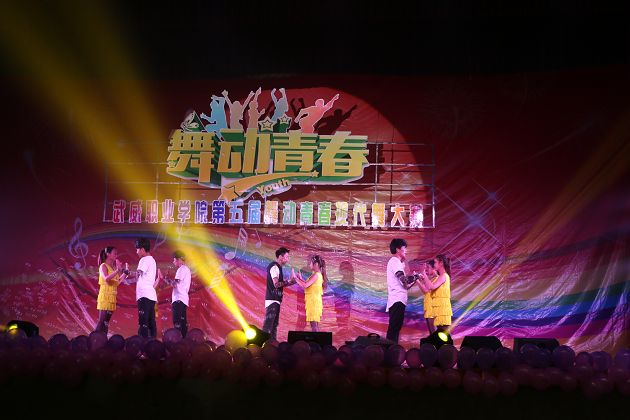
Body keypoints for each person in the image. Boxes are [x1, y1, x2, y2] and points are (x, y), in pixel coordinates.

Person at [385, 238, 420, 343]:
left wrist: (415, 278)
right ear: (398, 249)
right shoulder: (394, 262)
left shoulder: (398, 263)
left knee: (395, 328)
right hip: (397, 300)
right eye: (404, 248)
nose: (406, 251)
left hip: (399, 300)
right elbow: (404, 280)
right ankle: (390, 350)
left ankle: (391, 349)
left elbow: (405, 285)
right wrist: (417, 276)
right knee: (394, 328)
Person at [126, 238, 158, 338]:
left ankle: (143, 343)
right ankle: (153, 343)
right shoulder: (152, 260)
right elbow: (139, 277)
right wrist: (127, 279)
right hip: (150, 295)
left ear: (143, 249)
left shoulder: (144, 259)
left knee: (143, 322)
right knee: (151, 322)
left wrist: (126, 272)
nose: (136, 252)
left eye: (137, 249)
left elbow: (137, 274)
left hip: (144, 295)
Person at [262, 247, 296, 340]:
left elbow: (281, 284)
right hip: (273, 300)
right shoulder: (274, 267)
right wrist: (289, 281)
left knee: (274, 325)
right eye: (286, 257)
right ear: (280, 257)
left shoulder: (278, 268)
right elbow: (276, 284)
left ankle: (272, 343)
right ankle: (263, 344)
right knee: (268, 325)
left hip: (276, 300)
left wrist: (292, 281)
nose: (288, 259)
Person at [158, 250, 191, 338]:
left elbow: (174, 284)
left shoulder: (181, 269)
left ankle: (178, 341)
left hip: (179, 299)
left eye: (174, 260)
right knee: (183, 323)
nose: (173, 262)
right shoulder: (186, 269)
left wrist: (164, 278)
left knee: (177, 322)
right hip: (183, 299)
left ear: (179, 259)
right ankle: (184, 341)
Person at [95, 246, 127, 335]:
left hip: (112, 297)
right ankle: (94, 339)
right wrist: (117, 270)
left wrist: (125, 273)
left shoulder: (112, 268)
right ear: (108, 254)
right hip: (105, 296)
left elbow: (117, 282)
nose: (116, 255)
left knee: (106, 322)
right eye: (114, 253)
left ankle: (103, 339)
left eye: (117, 253)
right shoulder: (103, 266)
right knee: (101, 321)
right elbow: (106, 279)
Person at [419, 254, 452, 333]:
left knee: (443, 335)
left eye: (435, 262)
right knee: (440, 335)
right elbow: (429, 287)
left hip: (443, 309)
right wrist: (424, 279)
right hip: (438, 309)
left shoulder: (444, 276)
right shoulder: (441, 276)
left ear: (441, 263)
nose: (434, 265)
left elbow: (432, 287)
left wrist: (424, 273)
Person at [294, 255, 327, 332]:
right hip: (313, 302)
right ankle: (317, 339)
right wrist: (300, 278)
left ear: (316, 264)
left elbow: (305, 285)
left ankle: (317, 339)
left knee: (314, 325)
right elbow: (308, 284)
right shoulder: (317, 274)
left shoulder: (316, 275)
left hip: (313, 302)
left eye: (311, 263)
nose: (309, 264)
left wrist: (295, 278)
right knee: (314, 325)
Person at [419, 259, 438, 334]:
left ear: (434, 268)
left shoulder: (437, 279)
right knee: (432, 333)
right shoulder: (433, 279)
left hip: (432, 309)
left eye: (428, 267)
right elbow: (425, 290)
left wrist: (423, 275)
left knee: (434, 333)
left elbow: (425, 290)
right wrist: (419, 280)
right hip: (428, 308)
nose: (427, 269)